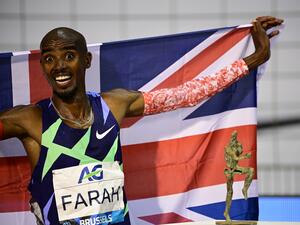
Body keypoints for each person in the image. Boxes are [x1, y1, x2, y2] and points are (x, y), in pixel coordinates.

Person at [0, 16, 283, 225]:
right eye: (49, 59)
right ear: (43, 66)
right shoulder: (30, 119)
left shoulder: (115, 104)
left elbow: (187, 94)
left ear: (86, 60)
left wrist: (254, 58)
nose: (59, 66)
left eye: (69, 56)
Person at [223, 130, 254, 222]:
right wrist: (246, 157)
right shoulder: (227, 147)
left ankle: (245, 188)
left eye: (235, 137)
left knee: (251, 170)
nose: (233, 139)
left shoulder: (238, 145)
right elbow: (235, 157)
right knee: (229, 192)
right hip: (229, 170)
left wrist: (241, 151)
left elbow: (239, 154)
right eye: (232, 137)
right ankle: (226, 212)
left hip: (236, 167)